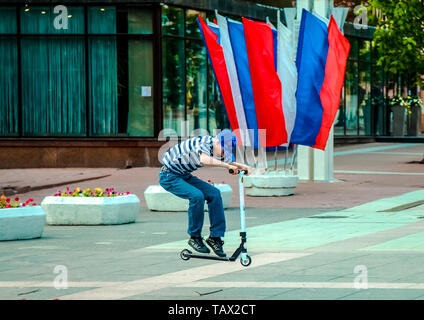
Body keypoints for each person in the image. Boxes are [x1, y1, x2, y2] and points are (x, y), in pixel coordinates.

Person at [159, 129, 251, 257]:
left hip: (183, 175)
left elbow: (229, 161)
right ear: (218, 141)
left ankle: (215, 237)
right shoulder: (204, 143)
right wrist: (227, 167)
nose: (224, 153)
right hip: (169, 176)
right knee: (197, 196)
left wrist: (243, 166)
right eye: (224, 149)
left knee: (214, 194)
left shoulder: (216, 146)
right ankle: (194, 237)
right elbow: (204, 159)